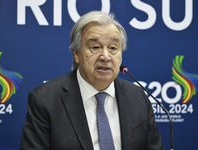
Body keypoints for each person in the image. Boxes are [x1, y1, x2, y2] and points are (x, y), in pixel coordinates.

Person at [21, 11, 164, 150]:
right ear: (77, 53)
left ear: (121, 55)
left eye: (113, 48)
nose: (106, 56)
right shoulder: (45, 101)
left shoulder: (138, 97)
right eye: (95, 47)